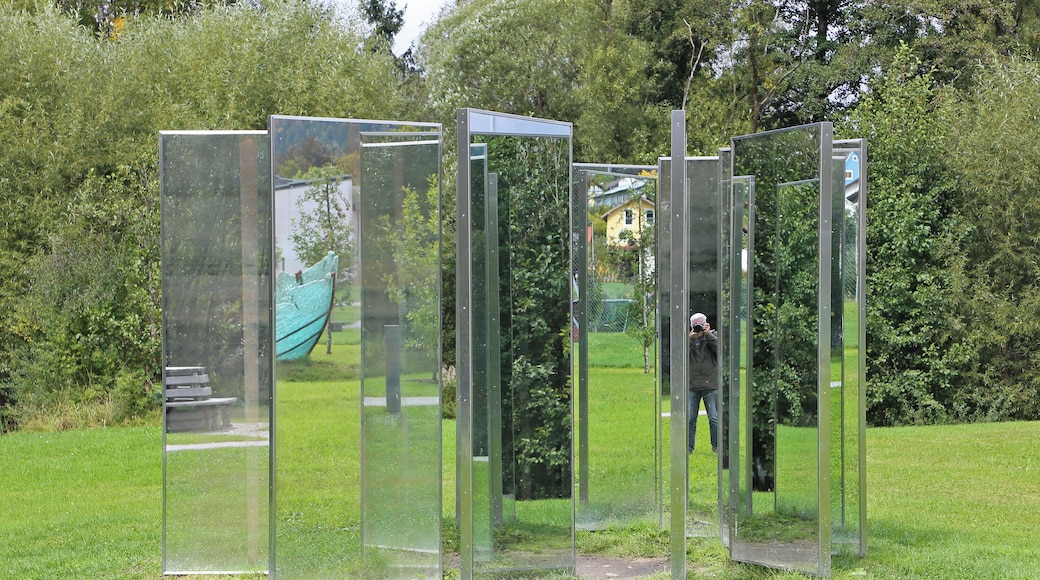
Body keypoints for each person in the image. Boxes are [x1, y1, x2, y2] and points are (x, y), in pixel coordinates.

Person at [688, 312, 718, 453]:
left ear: (706, 324)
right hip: (692, 385)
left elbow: (720, 352)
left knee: (714, 418)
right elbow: (678, 356)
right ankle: (689, 448)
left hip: (710, 384)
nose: (698, 328)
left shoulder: (713, 336)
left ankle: (716, 446)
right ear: (691, 326)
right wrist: (690, 339)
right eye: (696, 325)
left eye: (701, 324)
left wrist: (708, 335)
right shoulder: (688, 339)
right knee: (690, 419)